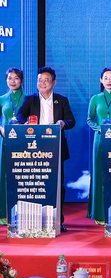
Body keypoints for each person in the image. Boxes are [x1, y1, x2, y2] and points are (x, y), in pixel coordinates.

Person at [16, 66, 76, 232]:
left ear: (54, 82)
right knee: (35, 183)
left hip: (56, 146)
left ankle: (58, 220)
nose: (42, 83)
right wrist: (24, 122)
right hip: (34, 148)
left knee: (57, 185)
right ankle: (33, 218)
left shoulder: (62, 100)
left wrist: (63, 123)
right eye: (39, 80)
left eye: (46, 80)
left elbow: (71, 120)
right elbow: (20, 116)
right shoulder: (30, 99)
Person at [86, 67, 111, 225]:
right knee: (99, 175)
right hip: (100, 139)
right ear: (101, 80)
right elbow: (89, 119)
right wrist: (100, 129)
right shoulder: (95, 98)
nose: (109, 81)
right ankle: (100, 214)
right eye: (106, 78)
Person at [0, 68, 27, 225]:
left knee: (21, 175)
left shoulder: (29, 99)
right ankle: (3, 213)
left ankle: (22, 212)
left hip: (22, 141)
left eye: (16, 78)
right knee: (4, 175)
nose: (13, 81)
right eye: (9, 78)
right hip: (4, 141)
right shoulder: (2, 99)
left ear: (21, 80)